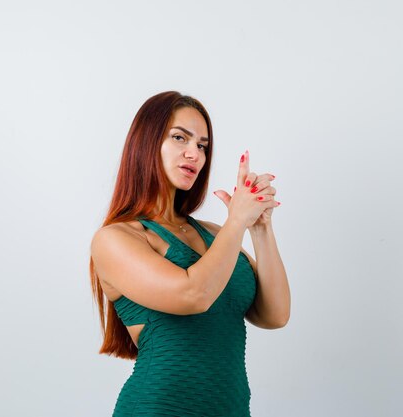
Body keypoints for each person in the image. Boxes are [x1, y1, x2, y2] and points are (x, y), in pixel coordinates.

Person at [89, 91, 291, 416]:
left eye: (202, 145)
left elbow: (275, 315)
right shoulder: (115, 238)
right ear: (146, 142)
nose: (194, 153)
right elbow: (194, 294)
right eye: (180, 137)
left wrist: (260, 227)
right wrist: (238, 219)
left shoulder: (214, 234)